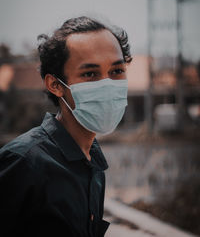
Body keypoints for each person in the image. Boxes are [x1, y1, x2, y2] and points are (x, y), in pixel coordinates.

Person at [0, 16, 132, 237]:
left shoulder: (93, 164)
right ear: (55, 85)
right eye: (90, 74)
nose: (107, 84)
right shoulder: (23, 162)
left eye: (117, 71)